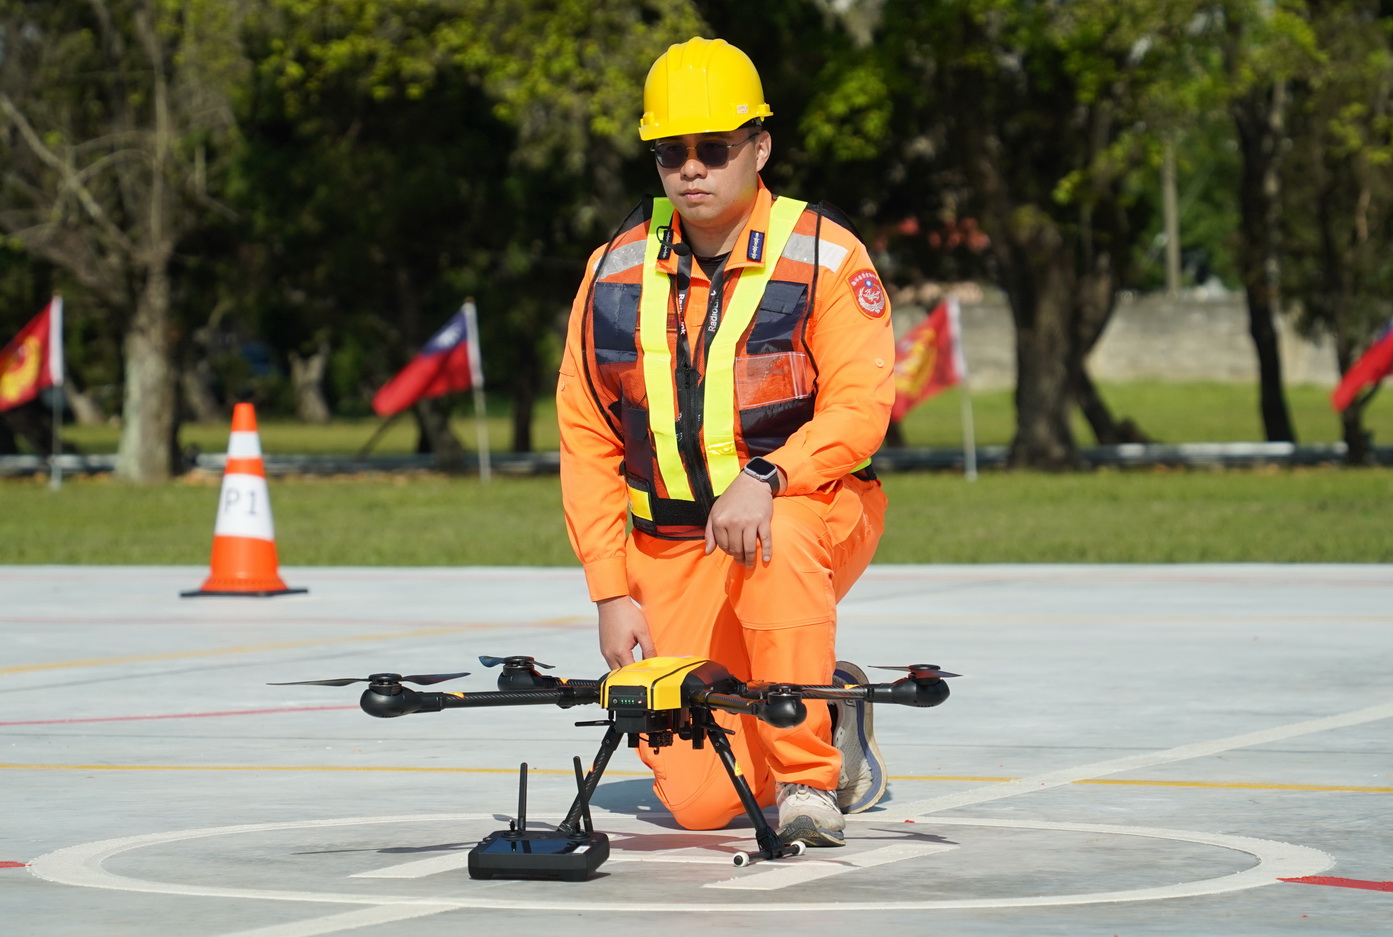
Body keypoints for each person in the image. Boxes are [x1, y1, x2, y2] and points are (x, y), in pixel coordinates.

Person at [556, 36, 895, 847]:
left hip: (804, 513)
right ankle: (830, 701)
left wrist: (770, 476)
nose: (690, 169)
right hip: (671, 547)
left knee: (781, 535)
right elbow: (586, 436)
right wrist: (609, 591)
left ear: (759, 147)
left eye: (713, 148)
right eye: (669, 153)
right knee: (703, 802)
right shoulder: (611, 270)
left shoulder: (824, 254)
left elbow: (860, 406)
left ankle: (809, 779)